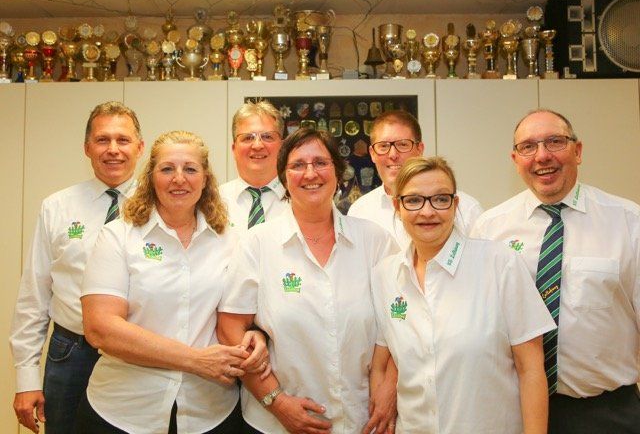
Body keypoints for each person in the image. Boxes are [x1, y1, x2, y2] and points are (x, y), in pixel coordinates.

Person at [76, 131, 269, 433]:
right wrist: (195, 360)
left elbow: (241, 313)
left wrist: (255, 335)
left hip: (210, 412)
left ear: (205, 178)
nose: (179, 179)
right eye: (167, 169)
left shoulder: (231, 240)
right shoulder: (118, 236)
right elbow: (100, 328)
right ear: (151, 177)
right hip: (124, 411)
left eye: (190, 169)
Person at [217, 128, 399, 434]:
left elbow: (402, 323)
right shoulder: (257, 243)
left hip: (363, 419)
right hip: (276, 423)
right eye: (298, 165)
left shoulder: (375, 241)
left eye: (321, 163)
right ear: (284, 178)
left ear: (338, 173)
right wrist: (276, 401)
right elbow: (229, 328)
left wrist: (390, 388)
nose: (310, 173)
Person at [471, 109, 640, 433]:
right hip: (514, 411)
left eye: (555, 142)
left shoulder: (628, 222)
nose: (542, 156)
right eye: (528, 147)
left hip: (606, 415)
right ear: (515, 159)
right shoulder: (490, 229)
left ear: (578, 151)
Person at [370, 156, 555, 433]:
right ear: (398, 207)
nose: (427, 211)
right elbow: (384, 364)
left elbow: (530, 369)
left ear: (455, 205)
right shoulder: (385, 275)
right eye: (414, 200)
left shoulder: (499, 264)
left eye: (440, 199)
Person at [9, 101, 145, 433]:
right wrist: (26, 377)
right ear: (87, 148)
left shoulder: (163, 207)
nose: (113, 150)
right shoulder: (57, 207)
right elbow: (35, 294)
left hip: (140, 353)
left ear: (140, 147)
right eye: (102, 140)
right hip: (72, 353)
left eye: (123, 140)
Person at [348, 110, 483, 248]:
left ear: (419, 149)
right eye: (383, 146)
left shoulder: (467, 210)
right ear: (372, 153)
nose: (393, 155)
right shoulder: (360, 212)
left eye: (403, 144)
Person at [219, 100, 289, 231]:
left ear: (282, 147)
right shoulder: (214, 201)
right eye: (248, 138)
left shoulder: (301, 200)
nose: (257, 145)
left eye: (267, 137)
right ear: (234, 149)